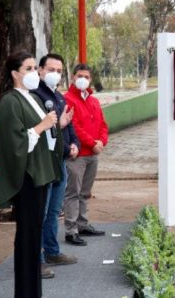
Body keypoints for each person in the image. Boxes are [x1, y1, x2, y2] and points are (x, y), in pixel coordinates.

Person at [0, 52, 62, 298]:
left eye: (34, 68)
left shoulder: (32, 98)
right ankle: (26, 292)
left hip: (40, 175)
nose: (34, 73)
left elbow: (44, 137)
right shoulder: (11, 101)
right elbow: (16, 143)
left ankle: (33, 292)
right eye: (28, 68)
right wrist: (42, 126)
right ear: (14, 74)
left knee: (33, 236)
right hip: (27, 178)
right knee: (27, 238)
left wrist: (52, 128)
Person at [32, 54, 80, 278]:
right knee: (40, 213)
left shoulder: (58, 97)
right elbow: (37, 130)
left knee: (53, 212)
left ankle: (51, 251)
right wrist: (59, 125)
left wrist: (74, 144)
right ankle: (36, 259)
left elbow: (67, 125)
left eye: (59, 71)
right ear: (40, 70)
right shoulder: (34, 96)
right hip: (44, 163)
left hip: (60, 160)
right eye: (51, 69)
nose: (55, 74)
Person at [64, 64, 109, 246]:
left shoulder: (94, 101)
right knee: (73, 192)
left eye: (87, 76)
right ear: (73, 77)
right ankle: (71, 230)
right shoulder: (68, 99)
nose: (83, 79)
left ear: (90, 79)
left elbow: (103, 125)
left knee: (85, 192)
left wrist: (101, 142)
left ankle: (82, 224)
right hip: (78, 155)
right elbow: (74, 127)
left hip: (93, 154)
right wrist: (92, 143)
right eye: (80, 75)